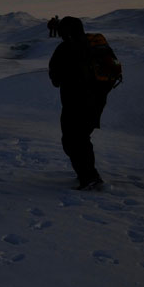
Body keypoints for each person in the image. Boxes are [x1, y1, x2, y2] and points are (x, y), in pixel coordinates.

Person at [48, 16, 108, 190]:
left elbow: (55, 79)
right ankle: (87, 174)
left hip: (75, 102)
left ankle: (89, 177)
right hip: (97, 100)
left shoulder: (65, 49)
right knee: (81, 138)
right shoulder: (93, 43)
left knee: (73, 140)